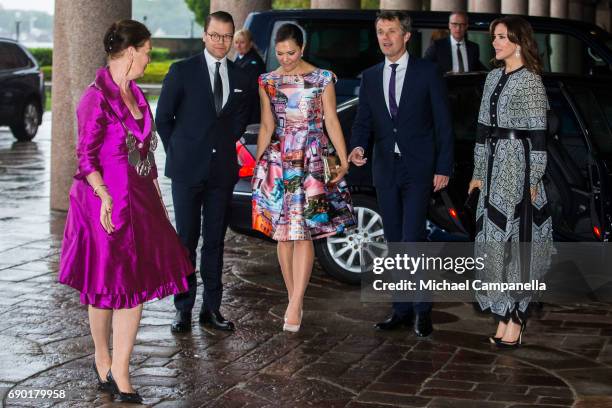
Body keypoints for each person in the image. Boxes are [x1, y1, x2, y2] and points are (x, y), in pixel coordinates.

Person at [57, 20, 193, 404]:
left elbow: (145, 151)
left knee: (133, 288)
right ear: (131, 51)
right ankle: (103, 358)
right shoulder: (94, 98)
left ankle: (121, 368)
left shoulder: (136, 93)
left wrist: (154, 190)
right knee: (103, 287)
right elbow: (84, 156)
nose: (150, 58)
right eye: (148, 51)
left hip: (139, 200)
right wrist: (104, 196)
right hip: (102, 202)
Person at [348, 11, 454, 337]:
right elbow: (364, 120)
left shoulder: (427, 72)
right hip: (385, 169)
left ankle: (423, 310)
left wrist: (443, 167)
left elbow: (443, 123)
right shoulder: (370, 76)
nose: (385, 37)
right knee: (394, 241)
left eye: (391, 31)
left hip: (420, 168)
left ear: (406, 35)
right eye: (380, 31)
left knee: (413, 239)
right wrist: (357, 147)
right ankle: (401, 308)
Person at [252, 23, 355, 332]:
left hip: (311, 159)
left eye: (291, 52)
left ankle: (296, 303)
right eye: (280, 53)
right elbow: (267, 124)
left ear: (303, 48)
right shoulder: (267, 81)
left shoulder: (322, 79)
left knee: (303, 231)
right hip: (279, 160)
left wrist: (342, 157)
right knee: (283, 234)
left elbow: (332, 121)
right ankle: (292, 297)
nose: (285, 59)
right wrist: (259, 164)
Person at [155, 11, 252, 334]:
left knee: (215, 242)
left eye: (226, 36)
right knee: (185, 240)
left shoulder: (240, 76)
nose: (221, 42)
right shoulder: (182, 71)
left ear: (233, 37)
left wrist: (223, 144)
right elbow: (163, 119)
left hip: (222, 172)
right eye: (215, 35)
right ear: (204, 35)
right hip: (186, 172)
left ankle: (211, 309)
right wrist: (180, 152)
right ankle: (183, 308)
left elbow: (240, 118)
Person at [468, 16, 552, 348]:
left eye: (501, 37)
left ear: (518, 41)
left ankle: (517, 317)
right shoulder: (491, 78)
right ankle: (503, 313)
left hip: (519, 166)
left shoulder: (531, 81)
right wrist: (476, 173)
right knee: (492, 245)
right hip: (491, 166)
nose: (495, 42)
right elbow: (481, 129)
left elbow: (539, 137)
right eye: (494, 37)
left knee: (517, 249)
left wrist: (532, 179)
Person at [233, 28, 266, 124]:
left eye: (242, 42)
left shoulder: (254, 63)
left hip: (250, 112)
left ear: (250, 43)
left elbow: (252, 90)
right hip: (241, 110)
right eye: (236, 42)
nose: (238, 46)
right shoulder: (239, 58)